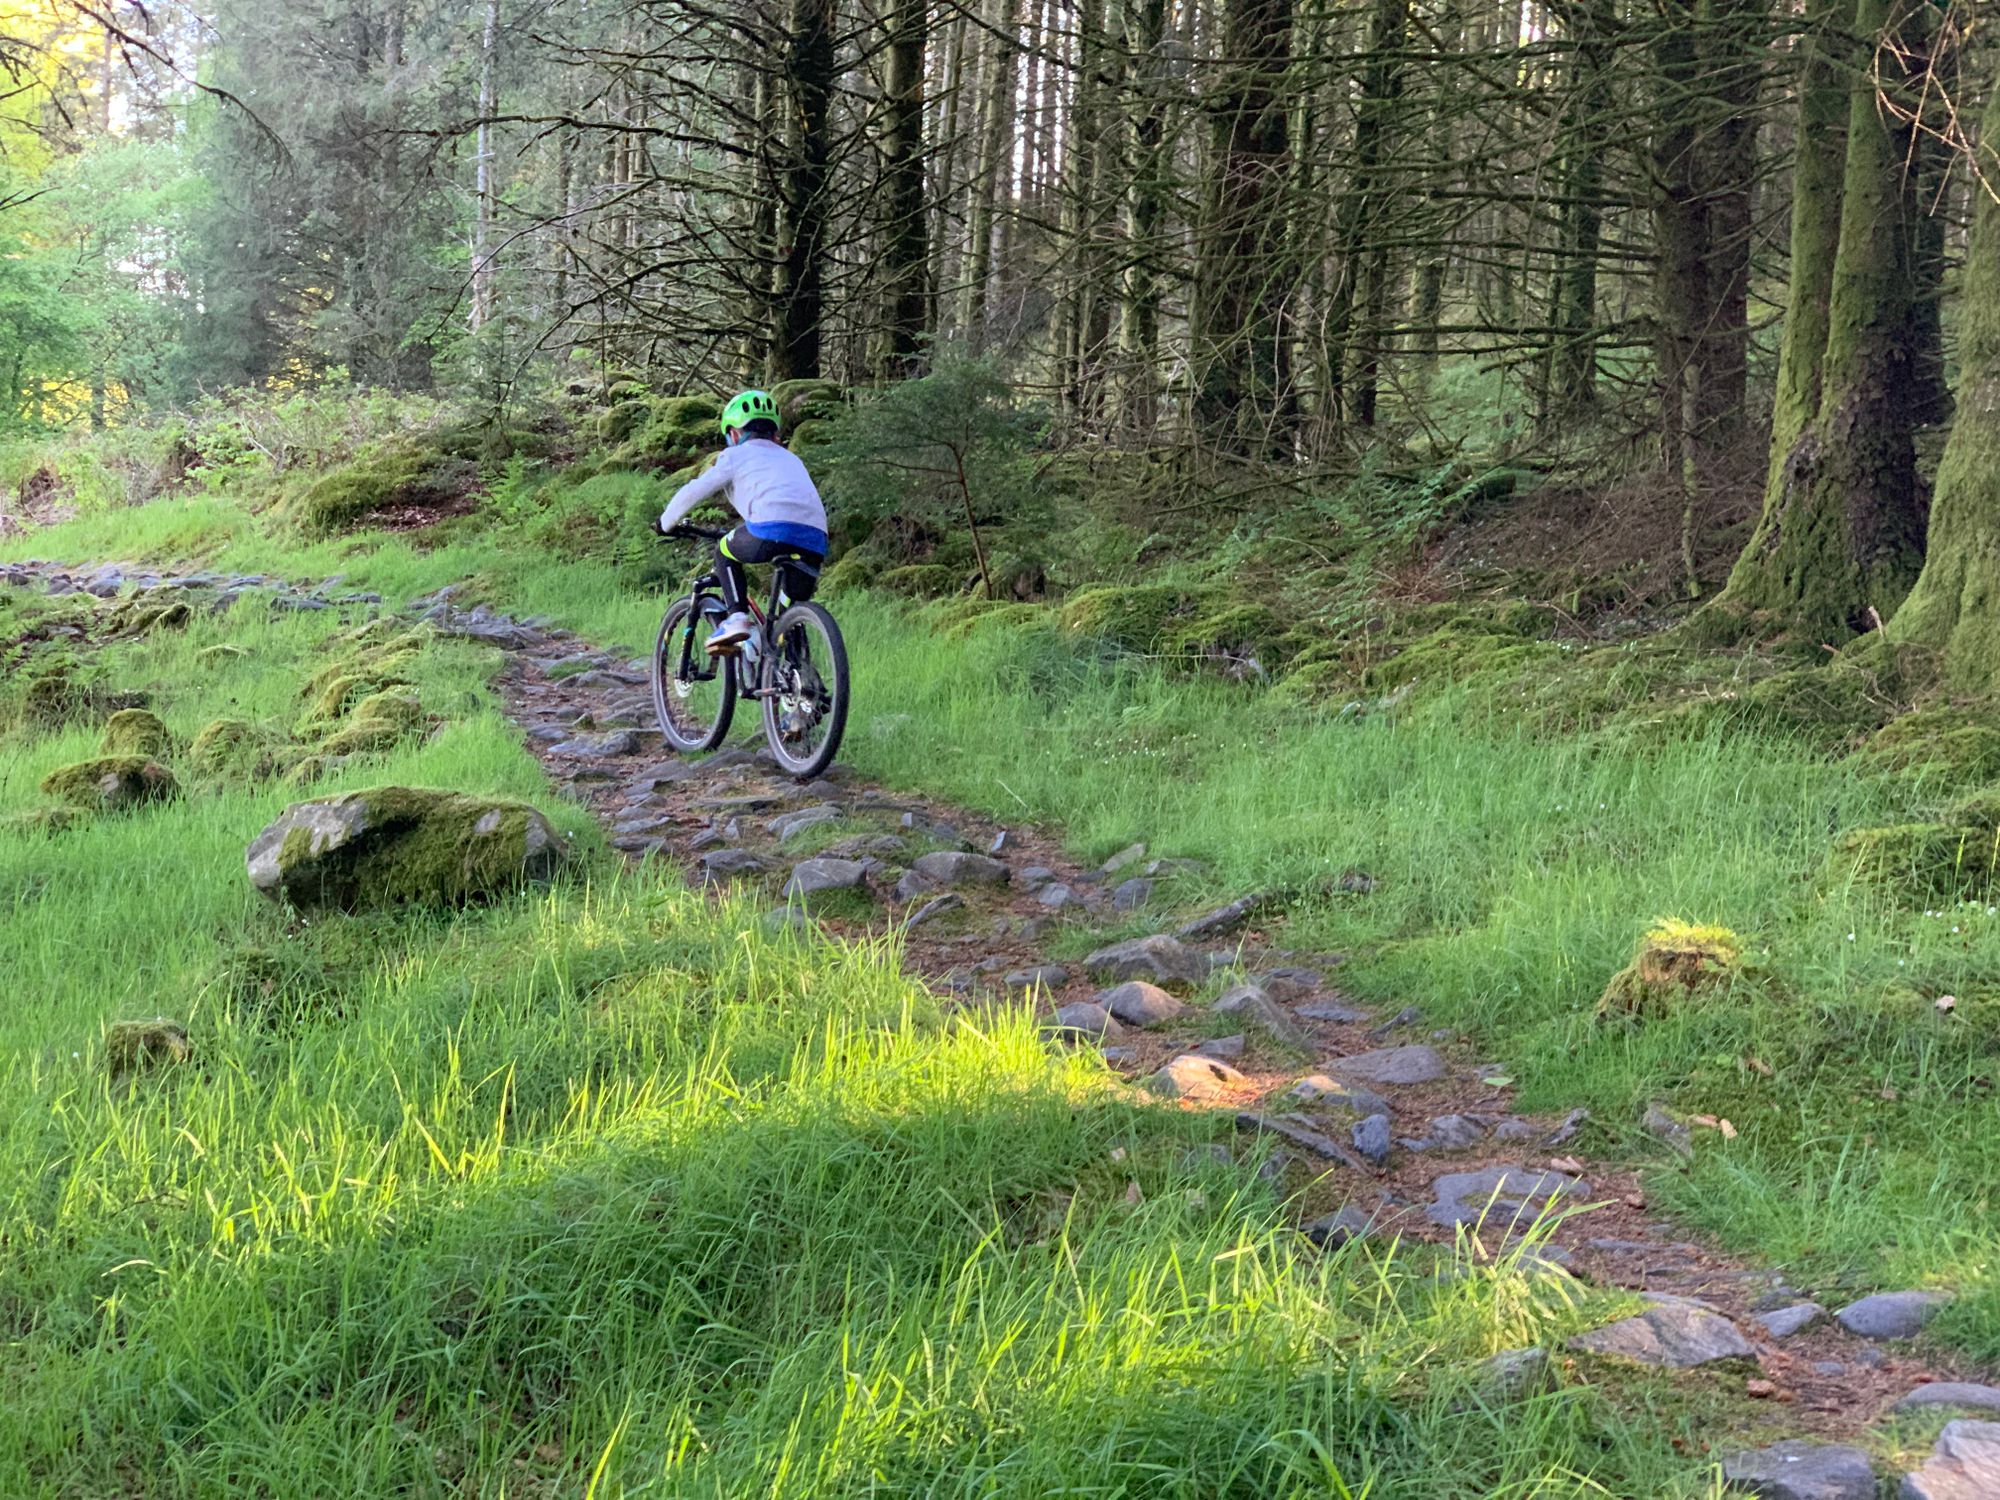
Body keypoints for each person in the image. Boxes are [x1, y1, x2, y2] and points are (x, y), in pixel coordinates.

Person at [654, 389, 829, 654]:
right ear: (774, 433)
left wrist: (666, 522)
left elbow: (695, 489)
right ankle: (801, 683)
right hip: (815, 537)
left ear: (734, 434)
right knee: (788, 619)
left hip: (770, 529)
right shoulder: (792, 459)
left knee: (723, 551)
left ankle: (737, 619)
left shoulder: (735, 456)